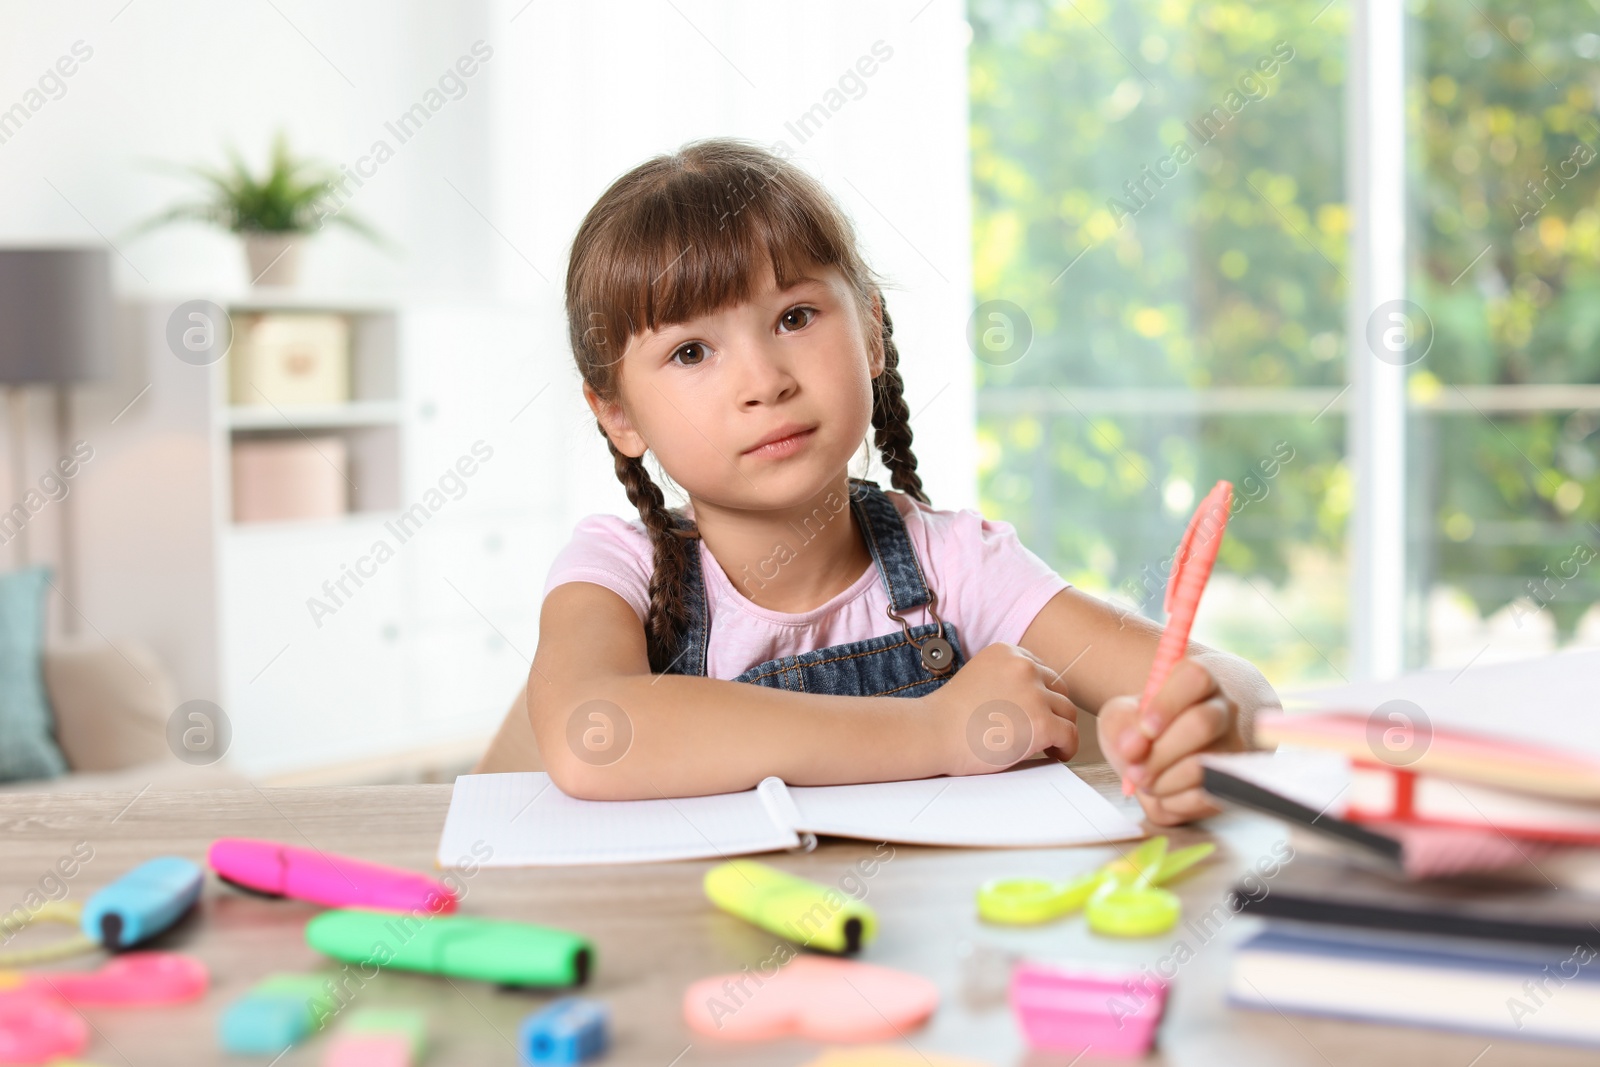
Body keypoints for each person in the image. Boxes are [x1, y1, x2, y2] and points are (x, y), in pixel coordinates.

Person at [527, 138, 1278, 824]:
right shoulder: (618, 571)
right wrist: (934, 730)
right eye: (691, 352)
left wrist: (1205, 723)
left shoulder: (955, 563)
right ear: (617, 413)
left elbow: (1239, 685)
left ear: (871, 333)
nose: (763, 381)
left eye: (794, 316)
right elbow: (592, 736)